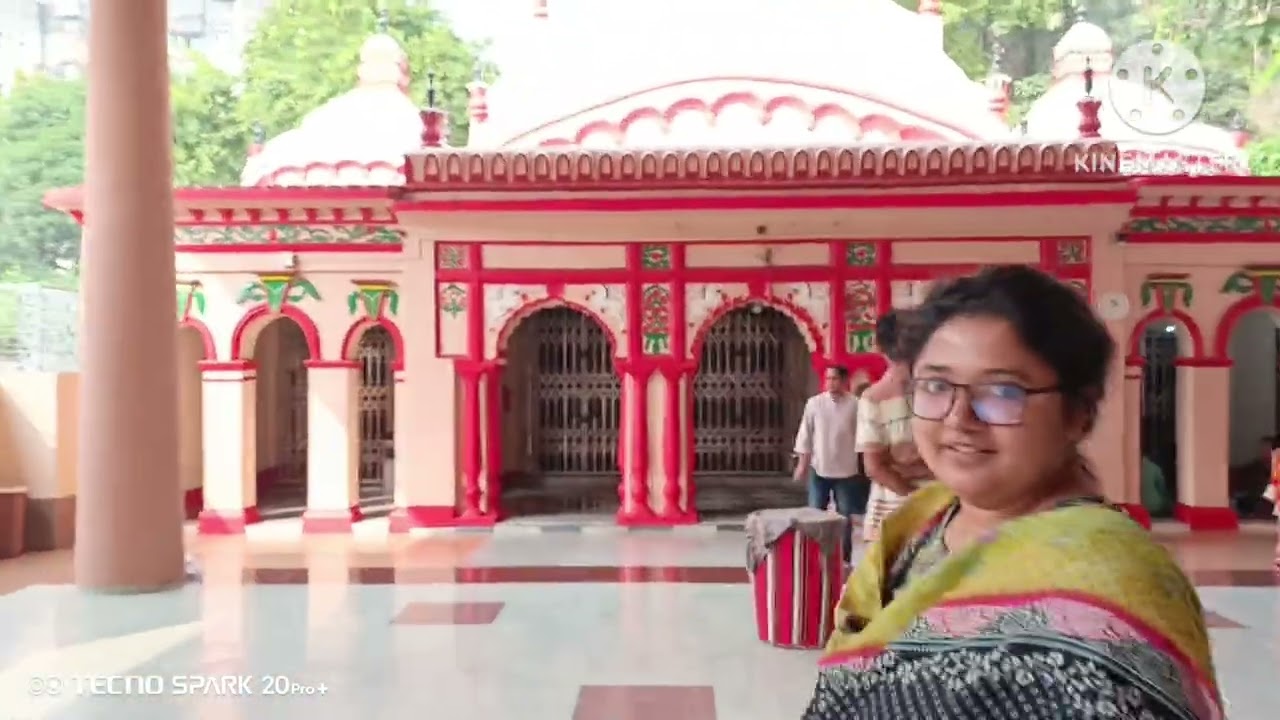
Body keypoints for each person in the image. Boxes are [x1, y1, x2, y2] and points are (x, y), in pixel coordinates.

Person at [802, 266, 1221, 720]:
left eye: (1002, 391)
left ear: (1078, 413)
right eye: (937, 386)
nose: (958, 418)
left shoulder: (1111, 582)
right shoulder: (916, 528)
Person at [856, 311, 931, 541]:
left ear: (878, 347)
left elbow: (874, 467)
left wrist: (916, 499)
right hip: (944, 502)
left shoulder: (873, 398)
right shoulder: (940, 389)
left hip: (893, 509)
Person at [794, 365, 869, 564]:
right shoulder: (814, 403)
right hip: (819, 468)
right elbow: (805, 435)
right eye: (828, 379)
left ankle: (843, 560)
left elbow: (863, 436)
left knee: (844, 517)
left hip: (846, 471)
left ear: (844, 381)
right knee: (814, 514)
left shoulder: (855, 405)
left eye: (835, 379)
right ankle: (813, 557)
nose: (831, 383)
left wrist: (866, 463)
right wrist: (802, 464)